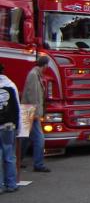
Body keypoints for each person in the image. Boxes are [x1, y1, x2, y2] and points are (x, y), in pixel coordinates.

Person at [21, 55, 51, 172]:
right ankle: (38, 164)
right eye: (47, 64)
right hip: (31, 110)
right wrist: (36, 113)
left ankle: (18, 160)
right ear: (45, 65)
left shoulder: (35, 74)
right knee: (39, 138)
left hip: (28, 109)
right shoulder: (34, 75)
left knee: (25, 138)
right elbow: (33, 95)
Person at [0, 64, 20, 192]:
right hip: (8, 125)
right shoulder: (11, 85)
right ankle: (11, 184)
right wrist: (18, 126)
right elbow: (17, 107)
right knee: (9, 154)